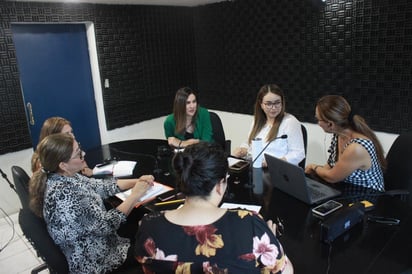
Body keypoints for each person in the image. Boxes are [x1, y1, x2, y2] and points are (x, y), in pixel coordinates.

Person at [135, 142, 293, 273]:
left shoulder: (149, 225)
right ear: (219, 185)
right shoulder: (250, 224)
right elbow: (286, 271)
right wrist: (270, 243)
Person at [29, 133, 155, 274]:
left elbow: (100, 186)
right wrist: (135, 195)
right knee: (154, 244)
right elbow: (107, 225)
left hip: (100, 242)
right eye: (78, 154)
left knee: (142, 227)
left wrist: (137, 181)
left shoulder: (63, 176)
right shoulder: (67, 196)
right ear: (63, 165)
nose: (84, 154)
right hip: (96, 261)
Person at [305, 95, 386, 192]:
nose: (318, 123)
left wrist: (313, 167)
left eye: (318, 119)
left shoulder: (356, 148)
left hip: (367, 196)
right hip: (346, 188)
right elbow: (330, 165)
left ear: (331, 124)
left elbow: (332, 177)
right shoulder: (339, 135)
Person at [233, 84, 305, 167]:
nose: (273, 108)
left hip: (279, 170)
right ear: (261, 105)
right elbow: (249, 143)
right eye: (269, 104)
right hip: (257, 168)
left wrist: (272, 163)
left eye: (277, 103)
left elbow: (298, 153)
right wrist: (243, 150)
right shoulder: (257, 121)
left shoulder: (290, 122)